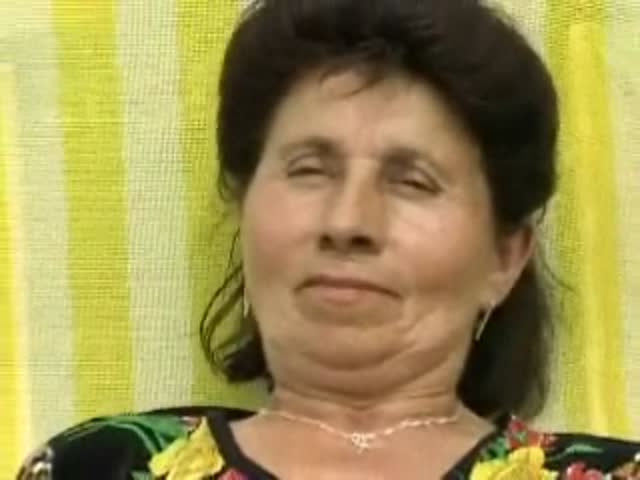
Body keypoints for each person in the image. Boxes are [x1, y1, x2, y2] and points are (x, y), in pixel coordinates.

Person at [17, 0, 640, 478]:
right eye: (309, 170)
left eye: (413, 182)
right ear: (244, 210)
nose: (348, 222)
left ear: (505, 257)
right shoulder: (100, 466)